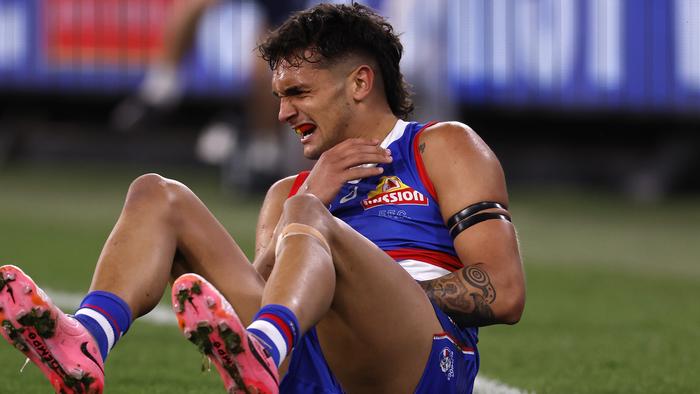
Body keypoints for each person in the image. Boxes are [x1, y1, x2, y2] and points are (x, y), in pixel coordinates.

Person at [0, 3, 525, 393]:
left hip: (420, 361)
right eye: (278, 97)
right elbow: (260, 289)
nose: (282, 114)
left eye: (298, 93)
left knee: (307, 215)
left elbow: (503, 293)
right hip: (308, 348)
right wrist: (311, 209)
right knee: (158, 195)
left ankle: (267, 349)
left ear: (360, 83)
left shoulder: (441, 145)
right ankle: (86, 339)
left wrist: (350, 289)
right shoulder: (290, 191)